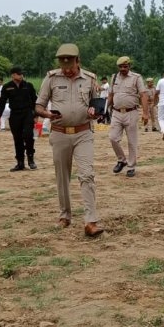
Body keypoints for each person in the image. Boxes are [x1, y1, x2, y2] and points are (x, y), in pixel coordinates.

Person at [35, 43, 103, 237]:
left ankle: (91, 221)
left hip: (83, 133)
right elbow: (39, 106)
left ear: (78, 61)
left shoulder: (90, 79)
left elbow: (97, 106)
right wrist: (47, 114)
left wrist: (95, 112)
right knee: (62, 176)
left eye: (70, 65)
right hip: (59, 133)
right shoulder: (51, 78)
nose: (66, 70)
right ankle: (65, 215)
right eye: (63, 65)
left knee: (87, 174)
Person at [106, 56, 149, 178]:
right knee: (113, 138)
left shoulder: (136, 77)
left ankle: (131, 167)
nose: (123, 69)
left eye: (125, 66)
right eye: (120, 67)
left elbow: (143, 95)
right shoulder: (114, 77)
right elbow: (111, 95)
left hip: (131, 113)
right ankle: (122, 160)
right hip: (116, 113)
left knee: (132, 141)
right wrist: (104, 109)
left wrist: (145, 113)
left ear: (129, 66)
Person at [0, 66, 38, 171]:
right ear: (13, 75)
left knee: (28, 136)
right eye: (19, 74)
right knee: (17, 138)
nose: (21, 76)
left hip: (27, 113)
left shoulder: (28, 86)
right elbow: (2, 101)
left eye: (22, 74)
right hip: (15, 114)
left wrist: (36, 115)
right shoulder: (7, 87)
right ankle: (20, 162)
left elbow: (35, 101)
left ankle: (31, 159)